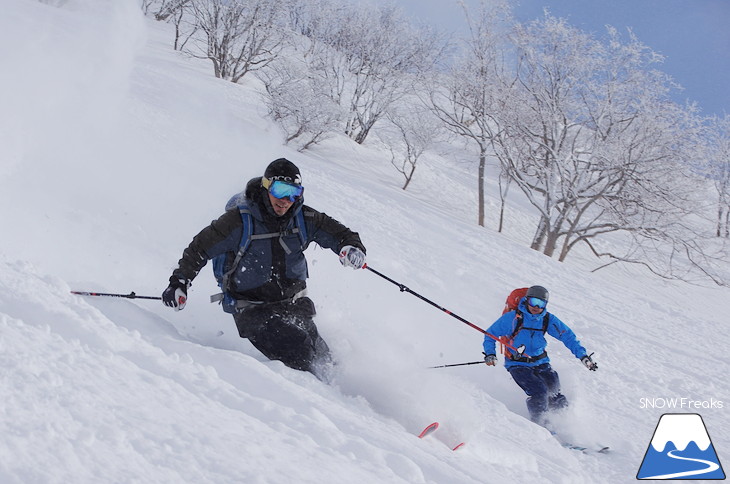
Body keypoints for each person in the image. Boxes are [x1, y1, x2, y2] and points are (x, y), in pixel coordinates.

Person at [162, 158, 366, 380]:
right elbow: (199, 248)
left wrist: (351, 247)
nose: (285, 201)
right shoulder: (238, 221)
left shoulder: (304, 219)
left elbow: (342, 234)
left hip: (293, 304)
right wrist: (179, 282)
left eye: (293, 193)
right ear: (266, 186)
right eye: (280, 190)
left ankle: (345, 398)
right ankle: (312, 404)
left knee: (325, 357)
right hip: (252, 310)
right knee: (300, 355)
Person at [482, 285, 597, 426]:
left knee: (555, 393)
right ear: (526, 300)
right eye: (533, 302)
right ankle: (541, 426)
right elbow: (490, 334)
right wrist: (490, 353)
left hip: (541, 362)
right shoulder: (513, 318)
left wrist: (583, 356)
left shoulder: (547, 319)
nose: (536, 307)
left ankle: (567, 426)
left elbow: (568, 337)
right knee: (539, 392)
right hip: (518, 364)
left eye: (540, 304)